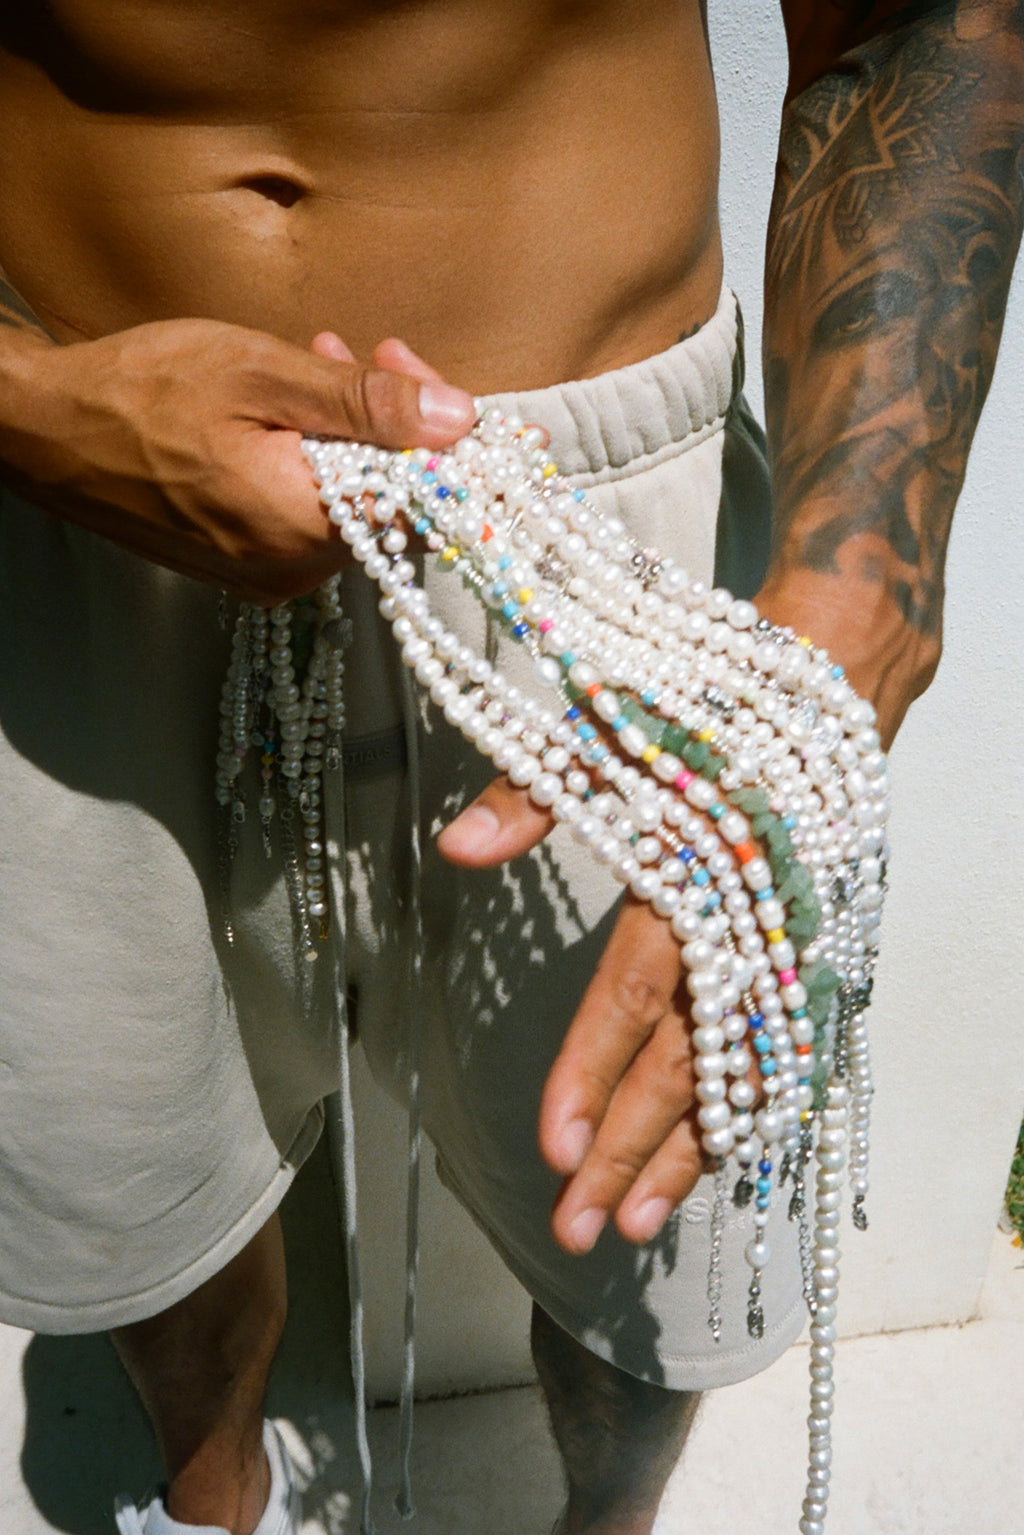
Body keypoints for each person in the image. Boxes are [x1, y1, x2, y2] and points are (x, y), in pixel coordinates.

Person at [0, 3, 1020, 1534]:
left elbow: (917, 19)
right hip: (67, 489)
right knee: (137, 1155)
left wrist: (855, 603)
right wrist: (27, 409)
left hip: (594, 545)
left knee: (652, 1214)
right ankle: (213, 1501)